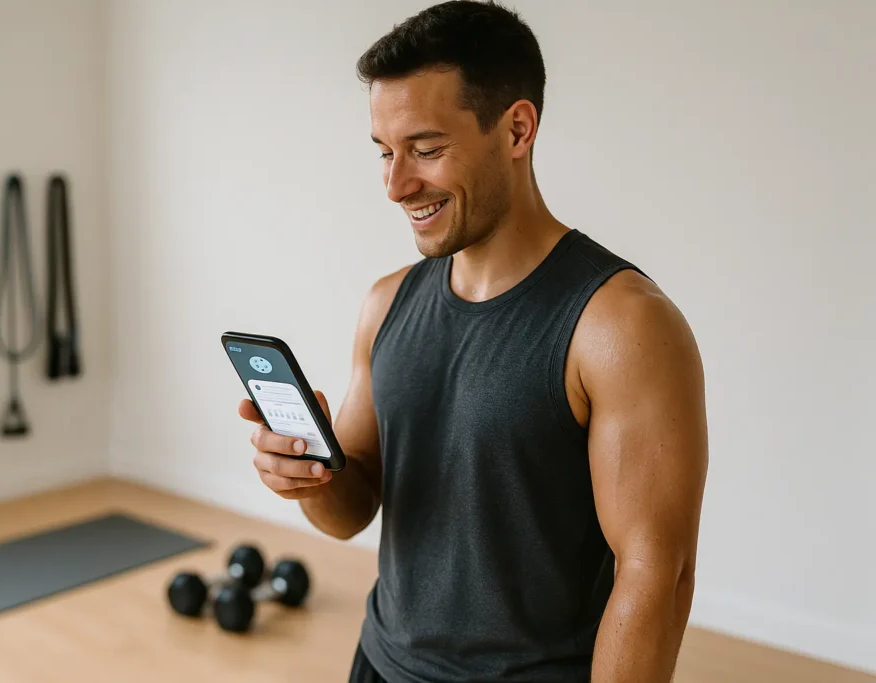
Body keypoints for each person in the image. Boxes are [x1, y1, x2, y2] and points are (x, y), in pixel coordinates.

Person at [238, 1, 709, 681]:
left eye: (427, 150)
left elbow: (656, 578)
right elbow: (351, 511)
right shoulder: (386, 303)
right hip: (379, 663)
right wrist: (308, 474)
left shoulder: (621, 325)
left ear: (517, 129)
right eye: (385, 152)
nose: (397, 185)